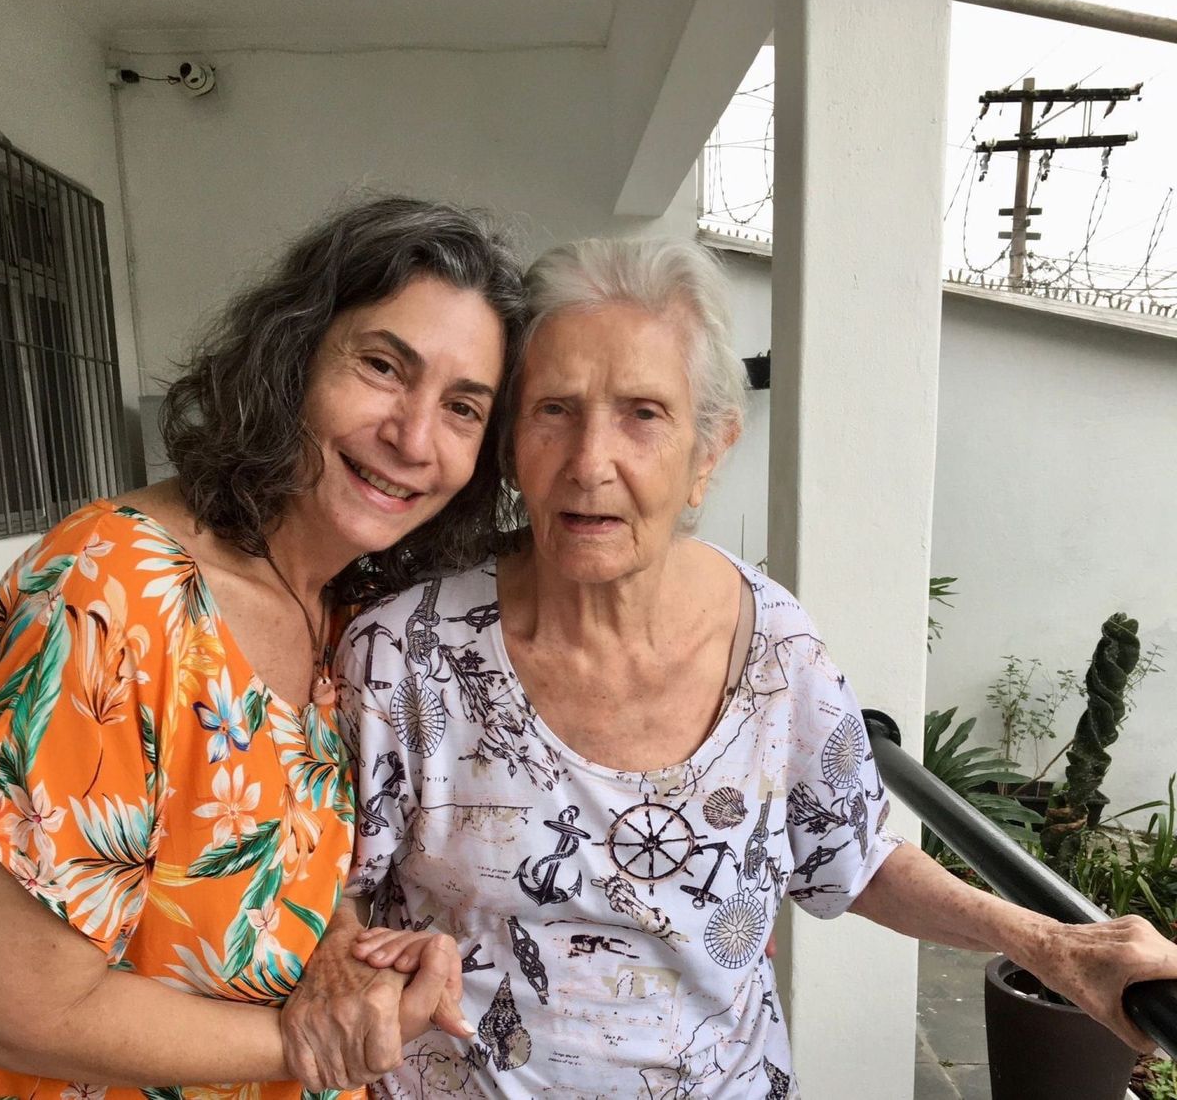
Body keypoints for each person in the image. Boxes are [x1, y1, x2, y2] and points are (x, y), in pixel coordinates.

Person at [304, 236, 1177, 1098]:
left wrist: (1055, 946)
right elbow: (324, 888)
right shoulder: (403, 656)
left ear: (709, 451)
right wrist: (341, 965)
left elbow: (853, 852)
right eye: (555, 410)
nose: (589, 462)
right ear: (512, 443)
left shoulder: (772, 644)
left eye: (643, 415)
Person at [0, 195, 528, 1098]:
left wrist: (347, 953)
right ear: (292, 357)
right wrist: (326, 1042)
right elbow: (17, 1008)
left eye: (463, 409)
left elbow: (277, 871)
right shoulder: (112, 595)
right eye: (384, 366)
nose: (413, 437)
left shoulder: (347, 611)